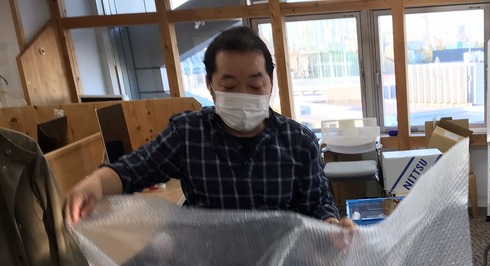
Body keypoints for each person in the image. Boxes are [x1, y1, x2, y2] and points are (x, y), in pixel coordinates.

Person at [66, 26, 354, 232]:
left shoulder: (299, 141)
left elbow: (317, 203)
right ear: (210, 85)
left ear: (271, 83)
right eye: (229, 86)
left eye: (255, 86)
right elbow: (130, 171)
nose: (243, 95)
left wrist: (332, 225)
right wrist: (95, 184)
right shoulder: (188, 135)